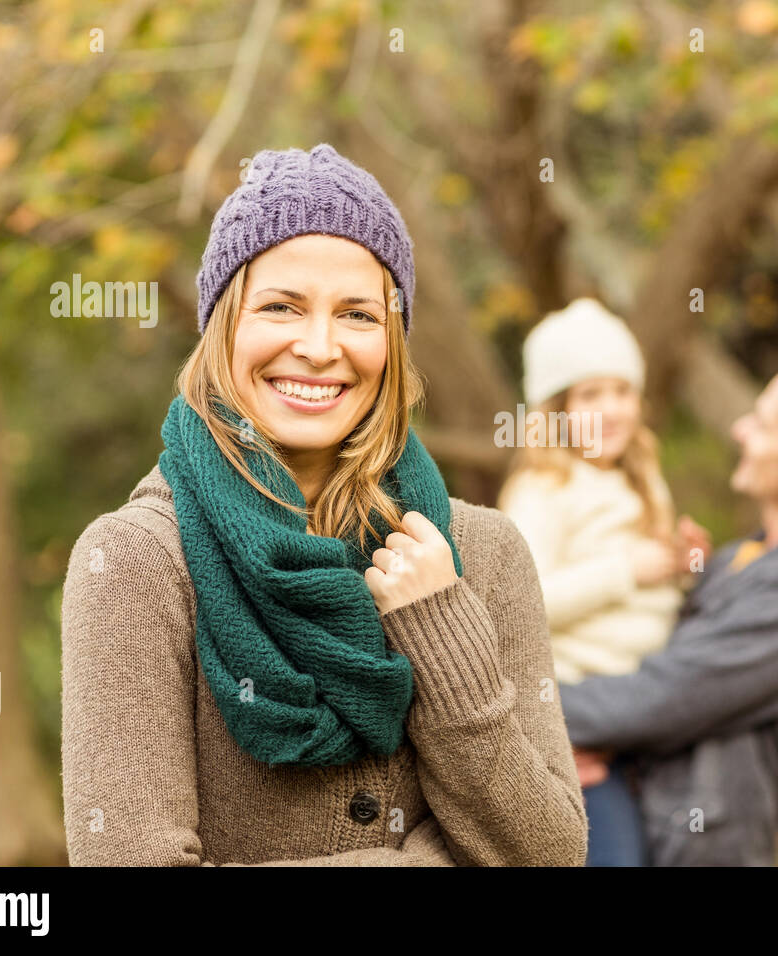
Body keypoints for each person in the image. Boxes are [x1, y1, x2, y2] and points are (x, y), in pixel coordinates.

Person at [60, 143, 587, 866]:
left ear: (393, 341)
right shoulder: (134, 562)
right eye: (281, 306)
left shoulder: (484, 552)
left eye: (358, 315)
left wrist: (436, 624)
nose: (318, 346)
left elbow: (552, 853)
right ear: (223, 327)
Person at [559, 355, 778, 866]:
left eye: (763, 424)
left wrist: (522, 714)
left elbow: (661, 697)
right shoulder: (743, 558)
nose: (741, 430)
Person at [497, 299, 709, 866]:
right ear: (556, 409)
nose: (611, 409)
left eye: (623, 391)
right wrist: (627, 570)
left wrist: (682, 567)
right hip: (570, 709)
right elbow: (521, 605)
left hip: (634, 713)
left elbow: (648, 597)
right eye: (590, 395)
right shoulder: (545, 488)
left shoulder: (642, 483)